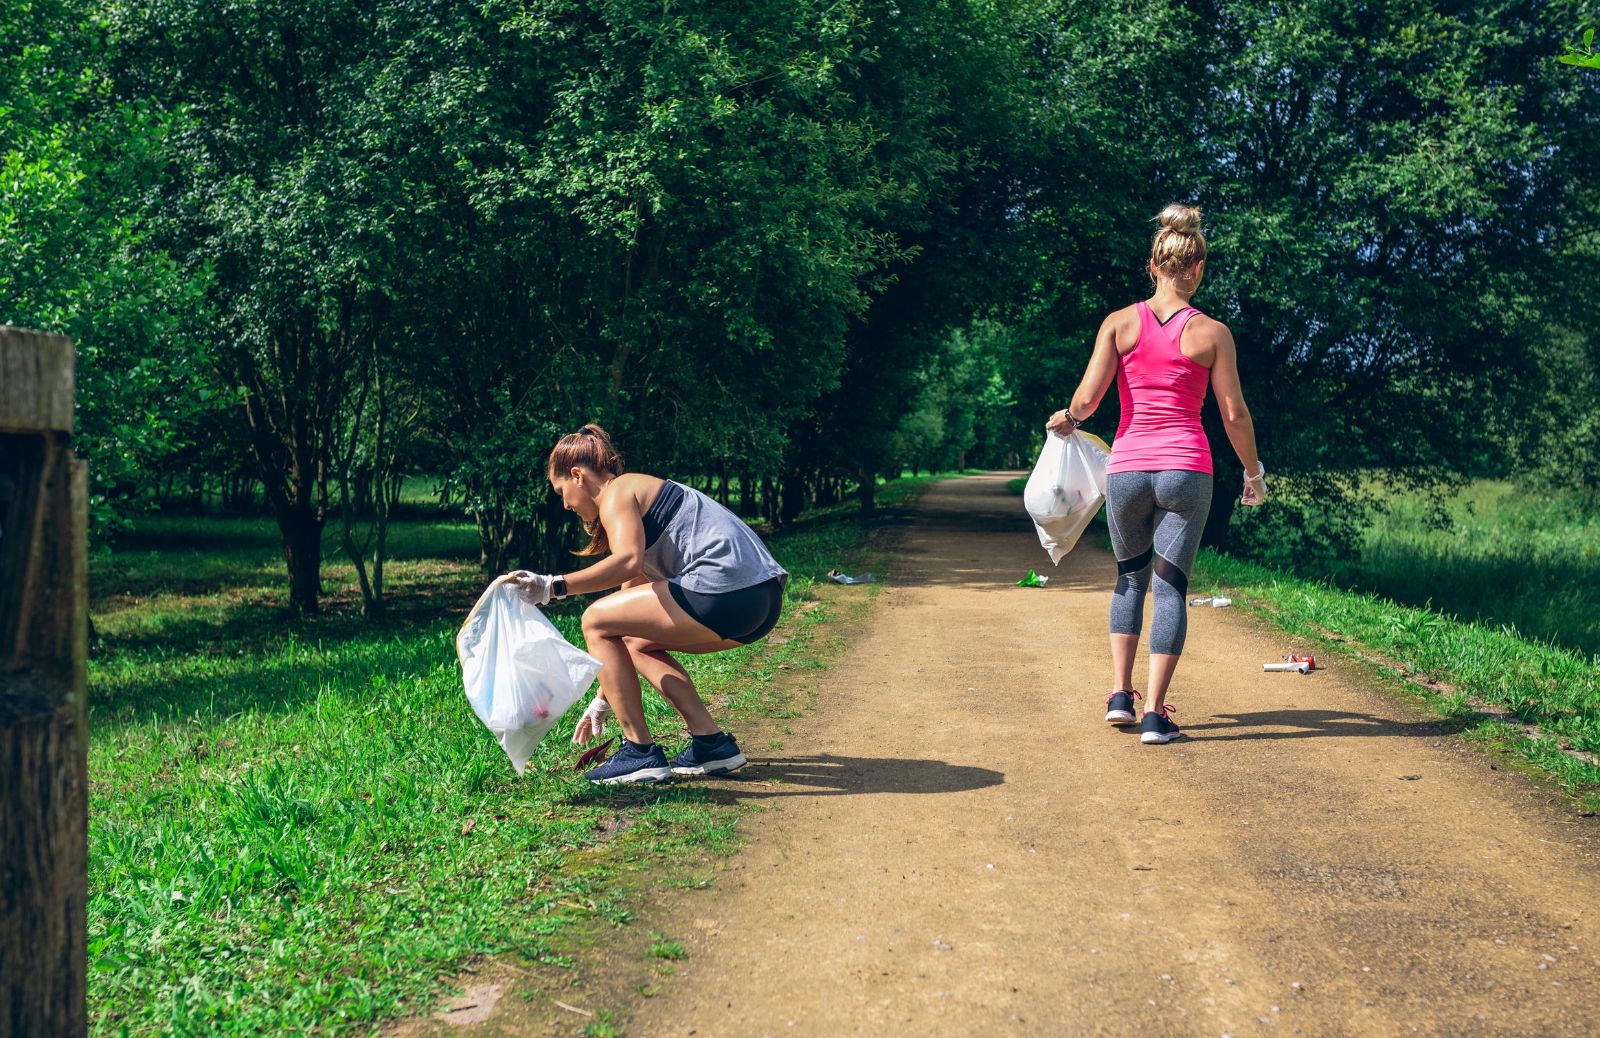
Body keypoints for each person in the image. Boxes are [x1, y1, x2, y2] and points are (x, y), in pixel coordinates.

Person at [1046, 204, 1265, 745]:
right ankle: (1155, 714)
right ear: (1199, 269)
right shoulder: (1213, 333)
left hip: (1127, 470)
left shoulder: (1120, 324)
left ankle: (1120, 695)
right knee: (1170, 590)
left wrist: (1069, 419)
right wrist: (1253, 472)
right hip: (1187, 471)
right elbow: (1234, 414)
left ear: (1153, 265)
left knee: (1129, 580)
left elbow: (1089, 398)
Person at [512, 425, 787, 784]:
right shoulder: (639, 504)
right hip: (760, 603)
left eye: (561, 491)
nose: (564, 504)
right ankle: (712, 744)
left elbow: (626, 561)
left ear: (577, 476)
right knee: (634, 640)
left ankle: (639, 752)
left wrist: (552, 586)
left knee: (593, 619)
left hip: (725, 592)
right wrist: (604, 699)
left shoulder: (618, 492)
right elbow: (627, 615)